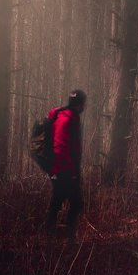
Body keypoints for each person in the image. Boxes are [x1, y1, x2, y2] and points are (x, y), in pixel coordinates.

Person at [45, 89, 87, 240]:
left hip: (54, 167)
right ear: (80, 104)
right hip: (65, 169)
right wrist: (75, 173)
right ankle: (69, 238)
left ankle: (50, 236)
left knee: (57, 200)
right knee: (76, 203)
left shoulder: (59, 114)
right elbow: (72, 149)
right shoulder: (72, 119)